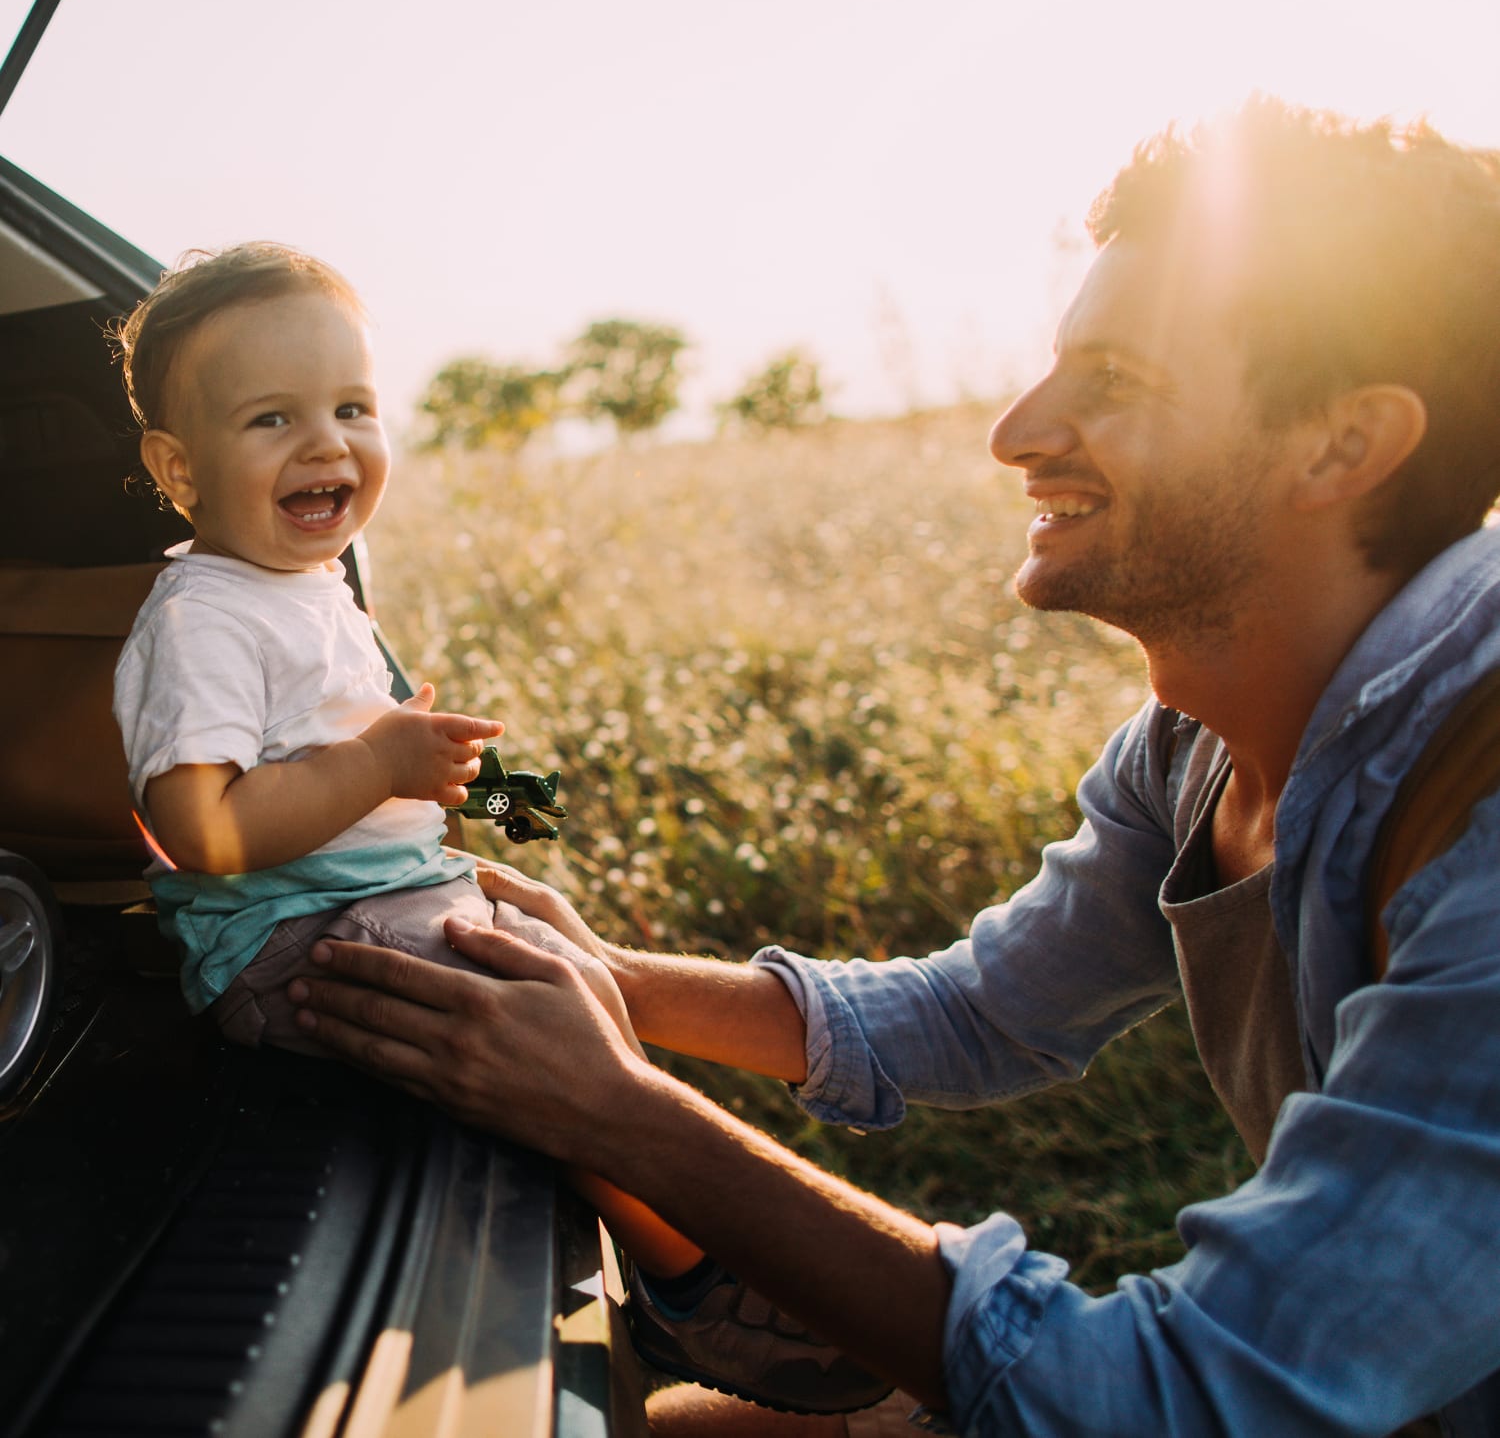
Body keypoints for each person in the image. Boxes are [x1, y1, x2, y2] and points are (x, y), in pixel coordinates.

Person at [288, 98, 1500, 1437]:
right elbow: (985, 1011)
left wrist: (627, 1116)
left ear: (1343, 447)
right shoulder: (1197, 743)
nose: (1018, 429)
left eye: (1119, 382)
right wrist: (614, 988)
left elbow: (1175, 1397)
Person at [108, 242, 889, 1418]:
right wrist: (380, 760)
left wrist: (482, 791)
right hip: (288, 942)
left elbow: (379, 748)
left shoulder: (312, 588)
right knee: (535, 1021)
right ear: (179, 467)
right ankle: (697, 1286)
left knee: (578, 973)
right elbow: (203, 828)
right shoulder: (204, 620)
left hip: (371, 896)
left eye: (352, 407)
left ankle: (669, 1239)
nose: (327, 444)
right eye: (273, 418)